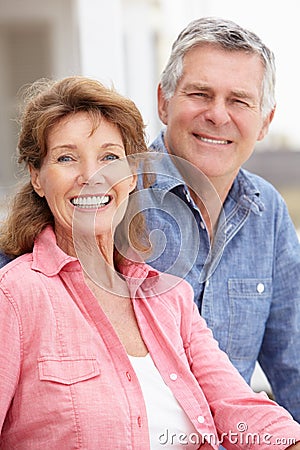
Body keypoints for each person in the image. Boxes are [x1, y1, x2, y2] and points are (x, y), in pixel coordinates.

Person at [0, 76, 300, 450]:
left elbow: (239, 406)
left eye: (110, 157)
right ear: (37, 178)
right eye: (66, 157)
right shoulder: (14, 296)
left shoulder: (169, 296)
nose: (93, 176)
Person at [140, 17, 300, 422]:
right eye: (200, 93)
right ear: (164, 101)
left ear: (265, 121)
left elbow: (294, 362)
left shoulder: (270, 214)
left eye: (239, 101)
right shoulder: (113, 195)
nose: (217, 114)